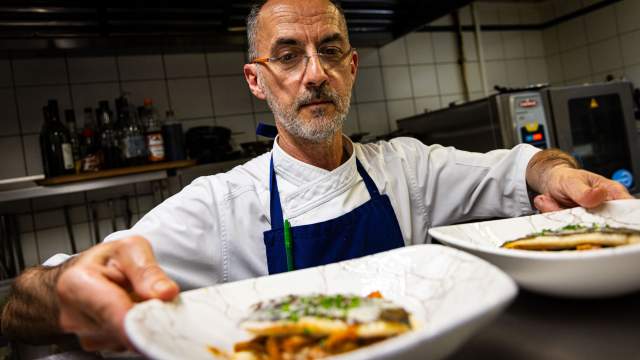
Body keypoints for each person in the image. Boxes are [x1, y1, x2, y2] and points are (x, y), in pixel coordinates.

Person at [0, 0, 632, 353]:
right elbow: (24, 303)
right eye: (287, 55)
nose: (314, 73)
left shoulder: (407, 168)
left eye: (330, 50)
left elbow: (522, 167)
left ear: (351, 67)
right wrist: (64, 288)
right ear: (256, 79)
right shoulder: (218, 206)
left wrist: (568, 177)